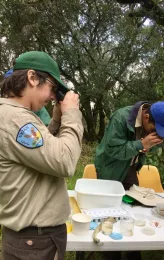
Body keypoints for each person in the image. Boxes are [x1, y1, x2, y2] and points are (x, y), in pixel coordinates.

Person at [0, 51, 83, 260]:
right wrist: (72, 114)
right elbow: (65, 161)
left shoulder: (13, 116)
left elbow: (40, 152)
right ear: (32, 78)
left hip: (28, 238)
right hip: (35, 241)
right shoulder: (17, 120)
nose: (54, 96)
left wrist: (55, 122)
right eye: (52, 88)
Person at [95, 101, 164, 260]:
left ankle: (133, 251)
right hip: (109, 167)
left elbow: (152, 144)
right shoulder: (121, 118)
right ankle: (111, 253)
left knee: (133, 208)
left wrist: (149, 145)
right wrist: (141, 144)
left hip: (130, 168)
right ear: (146, 117)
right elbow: (112, 150)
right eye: (156, 130)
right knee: (109, 211)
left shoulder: (153, 121)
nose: (158, 134)